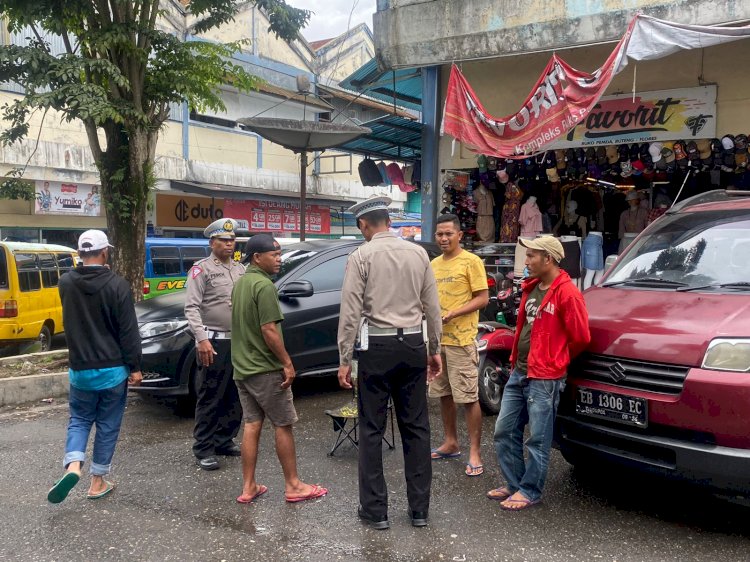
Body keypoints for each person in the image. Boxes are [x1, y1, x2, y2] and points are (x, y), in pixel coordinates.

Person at [337, 196, 443, 530]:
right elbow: (432, 307)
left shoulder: (361, 256)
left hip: (376, 348)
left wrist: (343, 358)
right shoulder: (418, 253)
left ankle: (375, 511)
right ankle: (419, 510)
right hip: (413, 343)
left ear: (364, 224)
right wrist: (434, 349)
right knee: (417, 427)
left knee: (371, 428)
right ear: (389, 221)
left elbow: (350, 312)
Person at [488, 236, 590, 511]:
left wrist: (557, 359)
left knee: (538, 438)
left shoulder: (567, 293)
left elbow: (580, 337)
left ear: (549, 258)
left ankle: (530, 490)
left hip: (545, 377)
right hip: (520, 370)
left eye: (532, 255)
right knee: (504, 430)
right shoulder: (533, 287)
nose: (527, 261)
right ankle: (515, 484)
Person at [231, 234, 328, 504]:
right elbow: (268, 329)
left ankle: (249, 486)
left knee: (252, 424)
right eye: (273, 255)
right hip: (265, 368)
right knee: (283, 424)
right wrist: (287, 362)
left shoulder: (241, 283)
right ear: (257, 257)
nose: (278, 259)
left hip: (242, 368)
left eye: (279, 254)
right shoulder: (264, 287)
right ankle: (294, 485)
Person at [47, 230, 142, 503]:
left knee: (79, 419)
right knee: (108, 424)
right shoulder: (117, 285)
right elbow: (128, 331)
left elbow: (81, 288)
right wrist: (135, 366)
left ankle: (73, 465)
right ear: (105, 253)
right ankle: (97, 482)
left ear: (79, 254)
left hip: (80, 369)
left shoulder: (65, 283)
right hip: (112, 370)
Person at [429, 214, 489, 477]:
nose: (443, 238)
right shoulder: (432, 264)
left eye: (448, 234)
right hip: (438, 339)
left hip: (462, 340)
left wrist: (455, 313)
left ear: (459, 235)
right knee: (444, 394)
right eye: (439, 234)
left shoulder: (471, 262)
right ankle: (451, 441)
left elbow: (483, 298)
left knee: (468, 396)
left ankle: (474, 451)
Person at [184, 218, 245, 471]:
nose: (229, 244)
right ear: (212, 242)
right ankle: (204, 447)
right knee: (211, 396)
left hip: (239, 343)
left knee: (235, 395)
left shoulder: (241, 270)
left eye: (232, 240)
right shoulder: (201, 269)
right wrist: (202, 339)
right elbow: (191, 307)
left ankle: (224, 440)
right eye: (223, 240)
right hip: (214, 342)